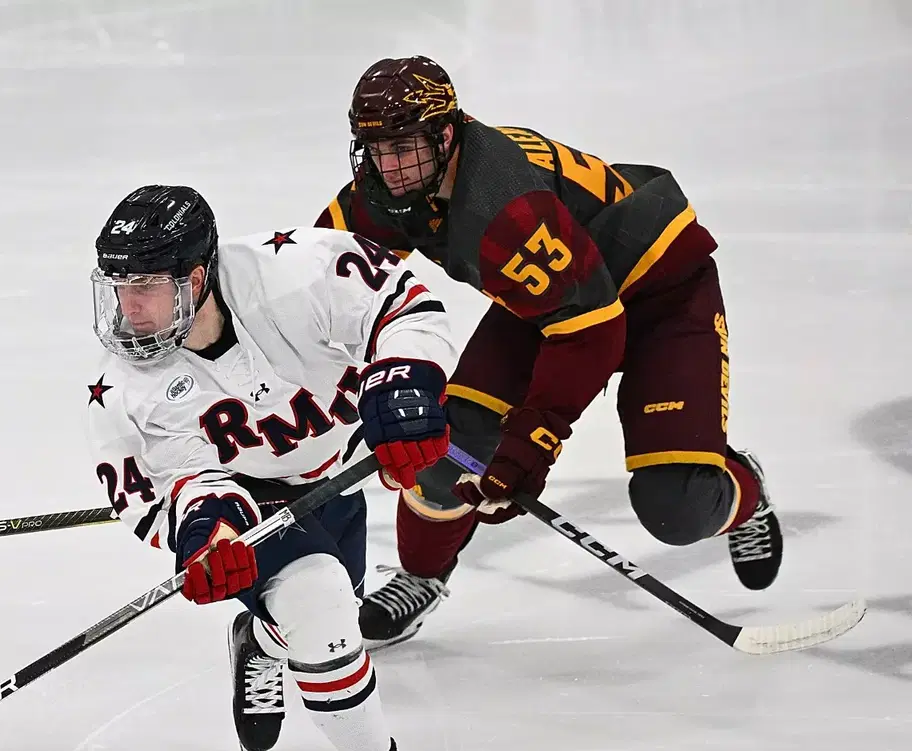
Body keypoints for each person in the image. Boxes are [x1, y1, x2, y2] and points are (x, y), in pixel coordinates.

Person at [315, 57, 782, 646]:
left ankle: (745, 487)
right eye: (375, 149)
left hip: (660, 297)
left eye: (405, 146)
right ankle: (421, 576)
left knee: (678, 505)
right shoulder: (384, 189)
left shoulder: (504, 206)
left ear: (447, 134)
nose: (391, 168)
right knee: (446, 450)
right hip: (555, 300)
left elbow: (591, 333)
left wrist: (531, 444)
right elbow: (319, 280)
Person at [83, 184, 457, 751]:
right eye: (118, 286)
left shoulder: (296, 275)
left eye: (144, 286)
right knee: (318, 601)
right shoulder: (128, 392)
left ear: (195, 278)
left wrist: (401, 381)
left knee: (325, 609)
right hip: (249, 502)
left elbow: (400, 304)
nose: (127, 307)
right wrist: (212, 535)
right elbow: (181, 484)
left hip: (331, 479)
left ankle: (262, 639)